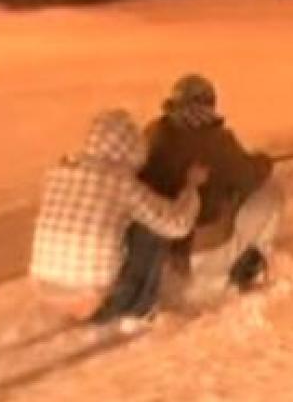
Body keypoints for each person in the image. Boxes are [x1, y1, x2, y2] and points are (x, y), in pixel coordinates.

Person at [28, 109, 207, 328]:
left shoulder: (56, 172)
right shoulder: (120, 183)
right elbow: (177, 224)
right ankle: (140, 309)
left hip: (46, 293)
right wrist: (192, 187)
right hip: (96, 302)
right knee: (150, 226)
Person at [134, 74, 285, 308]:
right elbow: (248, 176)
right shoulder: (219, 139)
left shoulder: (154, 133)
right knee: (271, 191)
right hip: (203, 252)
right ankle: (248, 264)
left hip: (159, 248)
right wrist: (263, 161)